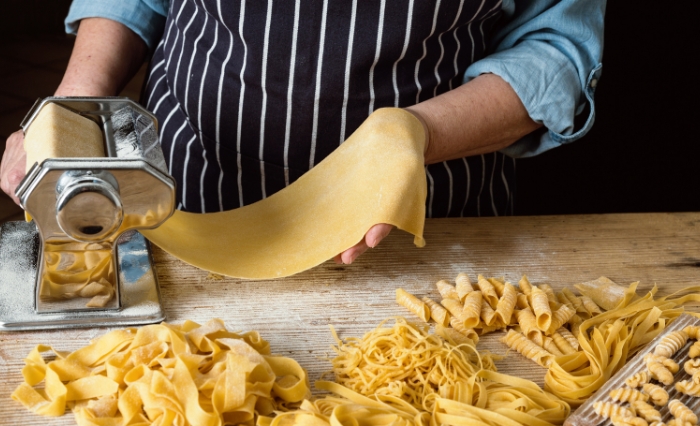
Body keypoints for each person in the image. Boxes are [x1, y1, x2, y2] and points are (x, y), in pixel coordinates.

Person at [0, 0, 605, 264]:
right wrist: (76, 110)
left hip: (420, 230)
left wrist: (414, 134)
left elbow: (557, 50)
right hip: (185, 199)